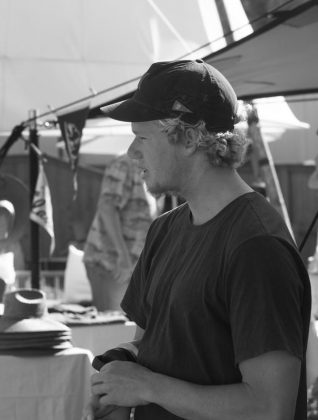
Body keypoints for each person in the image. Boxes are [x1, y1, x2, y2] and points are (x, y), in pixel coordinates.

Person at [84, 60, 311, 419]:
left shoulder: (256, 246)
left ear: (189, 138)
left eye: (142, 137)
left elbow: (271, 407)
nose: (131, 153)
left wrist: (146, 387)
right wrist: (119, 377)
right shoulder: (164, 230)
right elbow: (152, 345)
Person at [83, 153, 159, 311]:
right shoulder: (124, 164)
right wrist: (123, 256)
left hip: (131, 266)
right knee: (113, 328)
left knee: (128, 328)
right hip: (111, 263)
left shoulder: (149, 166)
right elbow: (107, 207)